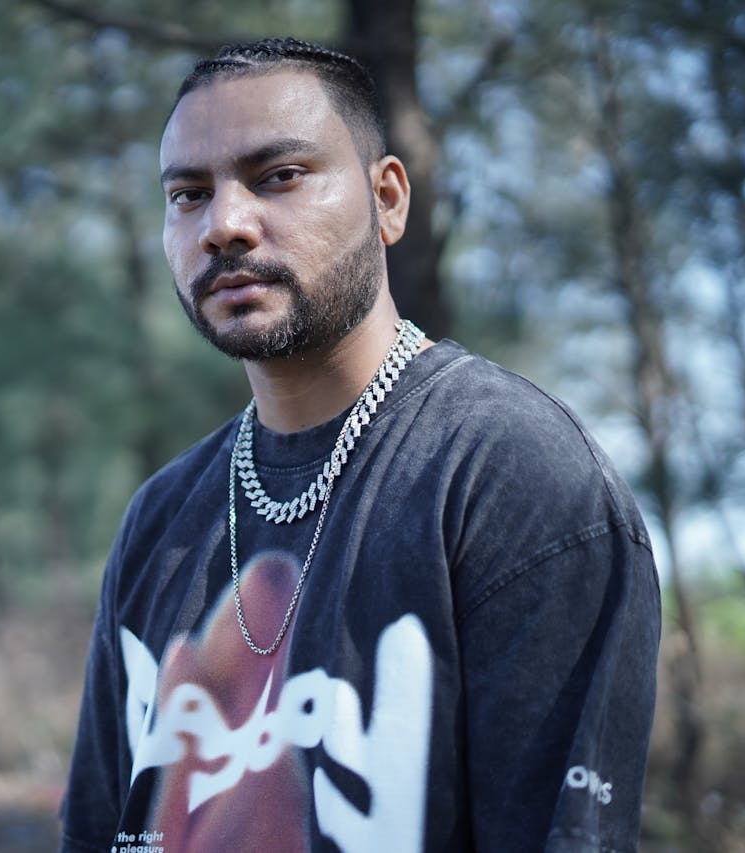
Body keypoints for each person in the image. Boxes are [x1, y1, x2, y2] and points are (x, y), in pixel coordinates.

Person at [59, 37, 660, 853]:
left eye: (278, 176)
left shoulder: (512, 474)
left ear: (387, 199)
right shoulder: (160, 519)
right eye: (188, 194)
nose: (225, 225)